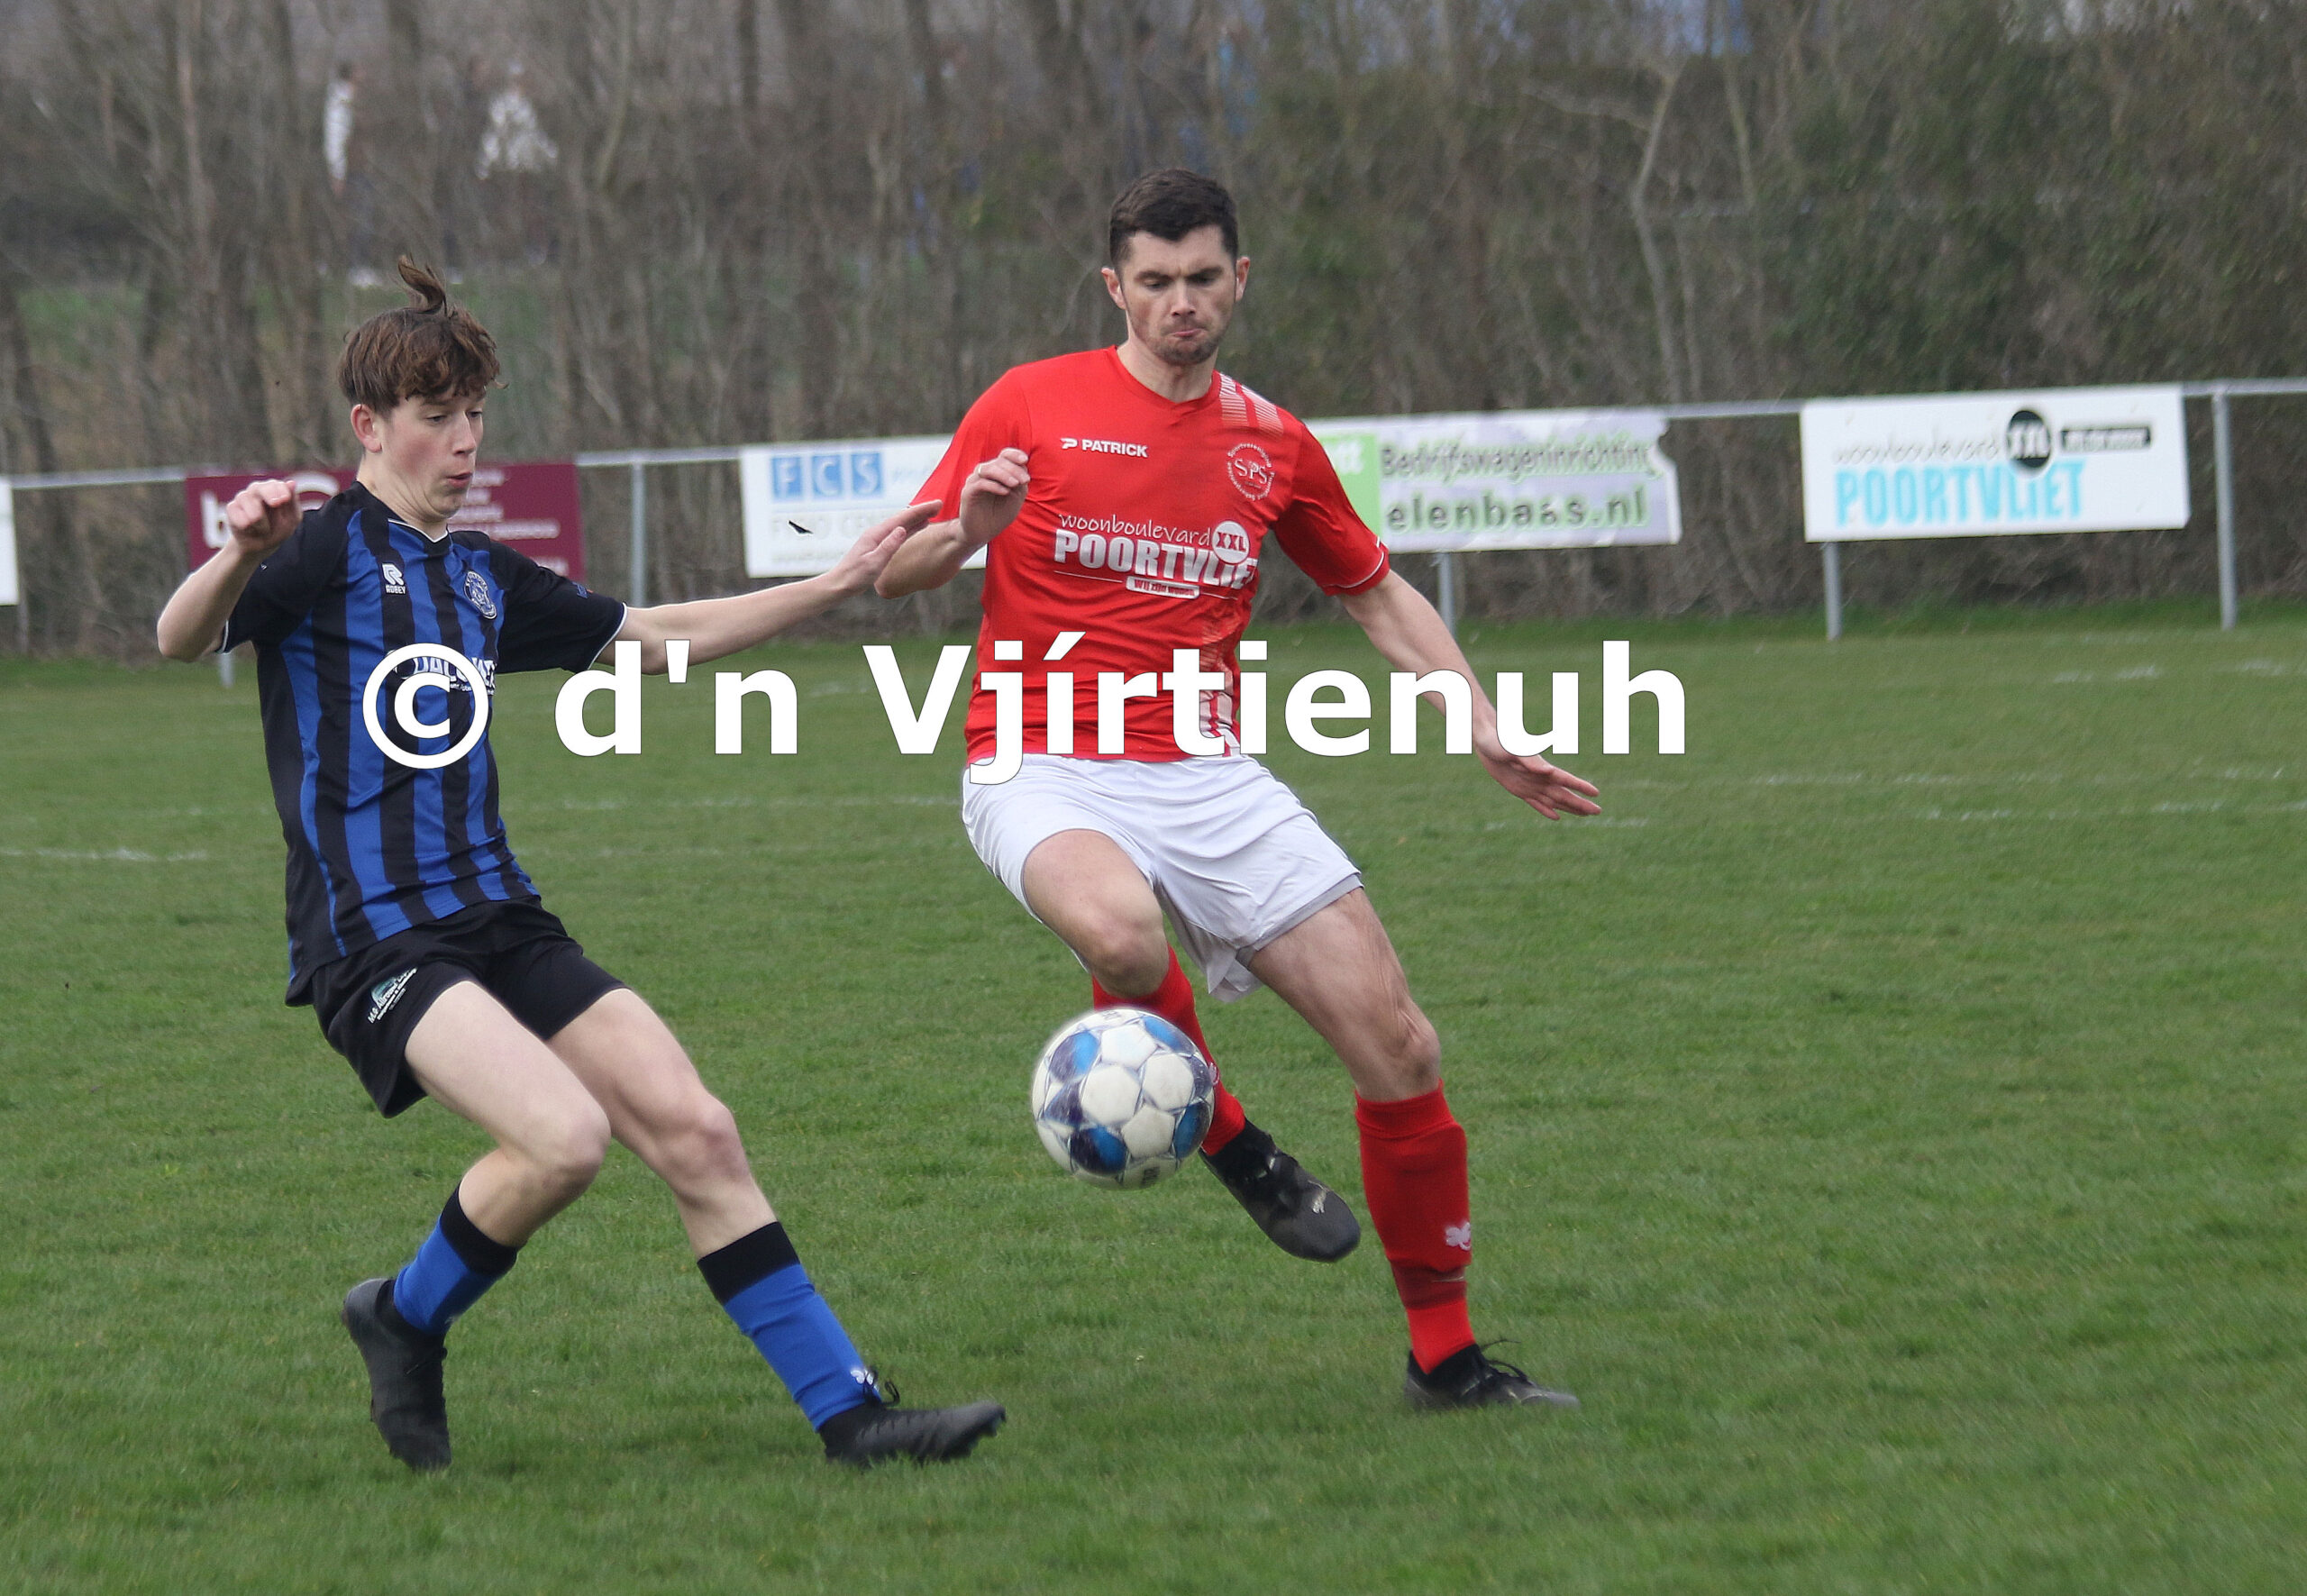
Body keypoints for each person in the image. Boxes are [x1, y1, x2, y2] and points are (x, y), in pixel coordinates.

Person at [155, 260, 1003, 1470]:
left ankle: (852, 1417)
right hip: (376, 937)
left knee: (697, 1131)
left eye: (475, 414)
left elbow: (653, 638)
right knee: (562, 1140)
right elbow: (180, 637)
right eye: (437, 417)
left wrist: (836, 582)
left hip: (501, 914)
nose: (465, 442)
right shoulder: (320, 549)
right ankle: (404, 1316)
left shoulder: (480, 575)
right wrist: (239, 553)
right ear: (369, 427)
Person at [877, 169, 1602, 1409]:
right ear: (1114, 288)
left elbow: (1377, 594)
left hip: (1208, 771)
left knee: (1402, 1048)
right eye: (1155, 281)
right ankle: (1231, 1138)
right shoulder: (1030, 402)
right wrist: (970, 530)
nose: (1182, 303)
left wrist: (1480, 723)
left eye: (1203, 278)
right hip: (1037, 757)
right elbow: (898, 571)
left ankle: (1448, 1358)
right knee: (1119, 933)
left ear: (1240, 280)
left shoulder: (1273, 442)